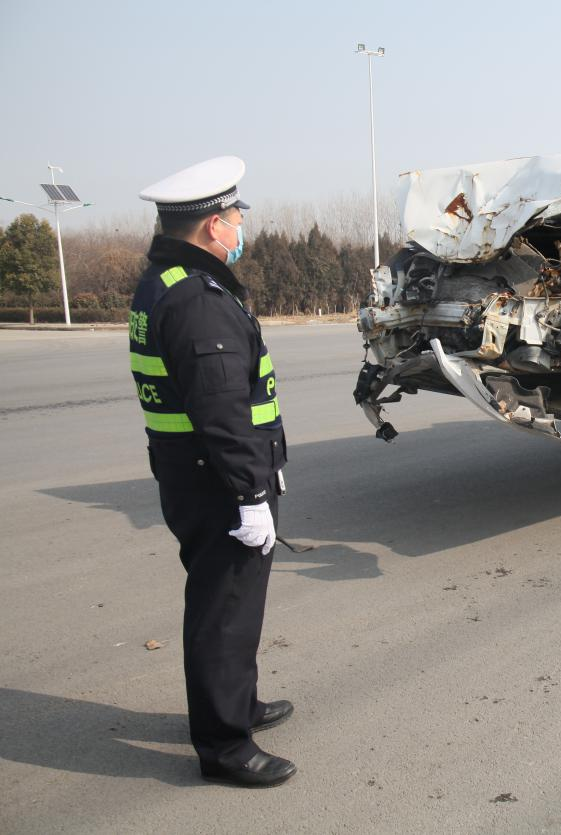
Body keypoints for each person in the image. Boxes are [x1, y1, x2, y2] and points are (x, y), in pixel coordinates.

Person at [129, 157, 296, 786]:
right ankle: (225, 746)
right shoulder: (199, 299)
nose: (239, 227)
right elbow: (223, 411)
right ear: (209, 226)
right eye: (233, 219)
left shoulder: (166, 279)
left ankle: (237, 704)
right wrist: (252, 492)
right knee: (224, 608)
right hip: (219, 483)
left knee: (233, 603)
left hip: (192, 474)